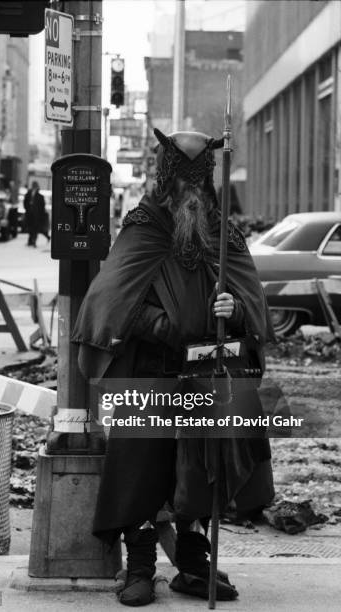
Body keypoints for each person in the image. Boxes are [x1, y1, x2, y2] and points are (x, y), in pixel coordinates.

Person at [72, 128, 276, 606]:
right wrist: (161, 324)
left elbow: (253, 303)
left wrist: (236, 311)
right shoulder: (143, 226)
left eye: (197, 180)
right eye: (182, 179)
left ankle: (192, 565)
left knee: (202, 471)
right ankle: (140, 569)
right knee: (142, 471)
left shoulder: (222, 231)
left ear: (207, 181)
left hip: (207, 373)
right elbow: (109, 301)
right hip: (152, 368)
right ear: (167, 177)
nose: (191, 192)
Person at [23, 181, 50, 246]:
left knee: (35, 229)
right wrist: (27, 209)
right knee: (30, 228)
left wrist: (41, 215)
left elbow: (42, 206)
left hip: (37, 215)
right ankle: (31, 241)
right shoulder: (28, 194)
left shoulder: (40, 196)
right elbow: (25, 202)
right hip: (29, 214)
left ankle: (33, 241)